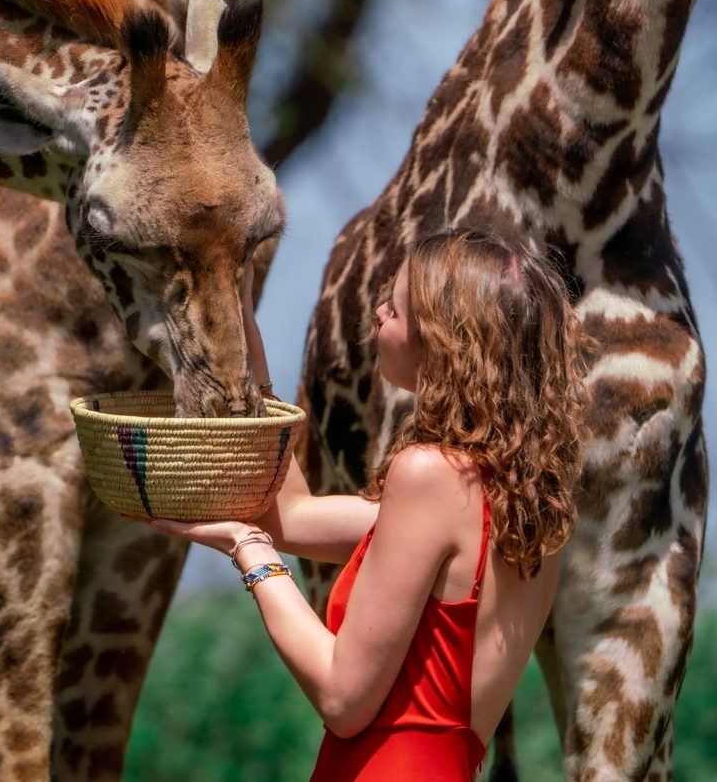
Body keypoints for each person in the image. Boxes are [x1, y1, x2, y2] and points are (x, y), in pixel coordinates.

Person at [145, 228, 591, 780]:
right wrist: (244, 332)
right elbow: (293, 515)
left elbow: (342, 700)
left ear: (445, 341)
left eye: (396, 308)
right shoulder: (526, 506)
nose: (378, 313)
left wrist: (250, 553)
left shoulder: (429, 476)